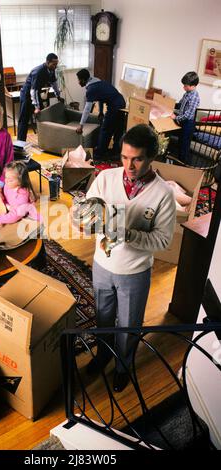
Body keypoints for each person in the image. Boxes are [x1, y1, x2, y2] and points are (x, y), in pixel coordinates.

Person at [85, 124, 176, 392]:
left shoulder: (163, 194)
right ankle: (102, 356)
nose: (129, 165)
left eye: (137, 158)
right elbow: (89, 208)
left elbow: (163, 240)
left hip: (135, 272)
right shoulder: (105, 178)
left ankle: (123, 366)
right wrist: (83, 217)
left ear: (151, 158)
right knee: (102, 316)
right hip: (102, 264)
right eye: (124, 157)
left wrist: (128, 234)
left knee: (129, 324)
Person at [76, 69, 126, 159]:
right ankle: (116, 152)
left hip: (114, 105)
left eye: (78, 80)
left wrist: (81, 125)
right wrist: (101, 112)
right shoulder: (96, 80)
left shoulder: (91, 90)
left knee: (106, 129)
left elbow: (87, 109)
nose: (78, 82)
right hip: (121, 101)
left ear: (83, 80)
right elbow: (100, 98)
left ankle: (100, 153)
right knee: (118, 128)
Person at [17, 53, 64, 142]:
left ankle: (43, 140)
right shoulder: (38, 71)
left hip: (36, 94)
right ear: (47, 62)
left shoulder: (51, 69)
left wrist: (58, 96)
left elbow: (54, 84)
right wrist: (36, 107)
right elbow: (33, 91)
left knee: (43, 116)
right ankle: (20, 143)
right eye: (54, 64)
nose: (55, 66)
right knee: (24, 119)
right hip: (27, 95)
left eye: (56, 64)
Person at [0, 161, 40, 225]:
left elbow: (14, 217)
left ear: (21, 181)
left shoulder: (22, 197)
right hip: (8, 207)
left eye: (10, 180)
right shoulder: (9, 184)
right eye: (6, 177)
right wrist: (2, 198)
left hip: (17, 214)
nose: (6, 181)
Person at [170, 71, 200, 162]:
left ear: (193, 85)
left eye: (186, 85)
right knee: (180, 142)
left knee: (184, 145)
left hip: (188, 124)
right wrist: (170, 104)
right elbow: (180, 104)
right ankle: (178, 160)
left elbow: (189, 114)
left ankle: (183, 163)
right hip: (183, 122)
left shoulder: (194, 96)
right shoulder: (187, 93)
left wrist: (176, 118)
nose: (184, 87)